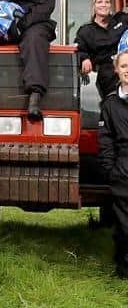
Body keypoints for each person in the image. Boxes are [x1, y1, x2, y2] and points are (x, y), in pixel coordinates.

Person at [98, 46, 128, 278]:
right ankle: (123, 267)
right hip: (122, 167)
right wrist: (111, 169)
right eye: (124, 66)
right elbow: (106, 140)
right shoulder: (110, 105)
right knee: (124, 223)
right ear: (117, 70)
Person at [75, 0, 128, 100]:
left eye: (107, 2)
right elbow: (78, 49)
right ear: (94, 6)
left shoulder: (121, 19)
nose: (103, 5)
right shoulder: (86, 31)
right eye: (99, 2)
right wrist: (84, 58)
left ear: (111, 5)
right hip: (106, 72)